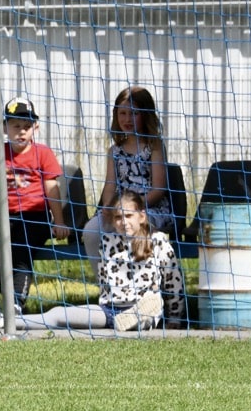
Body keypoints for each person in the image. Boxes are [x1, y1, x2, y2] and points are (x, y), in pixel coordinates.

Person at [0, 191, 178, 333]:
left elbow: (173, 283)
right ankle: (2, 321)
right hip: (110, 311)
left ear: (141, 216)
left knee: (150, 306)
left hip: (147, 308)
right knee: (57, 315)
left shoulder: (158, 242)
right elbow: (106, 285)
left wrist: (175, 318)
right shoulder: (109, 241)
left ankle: (137, 318)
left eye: (128, 216)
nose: (123, 222)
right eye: (118, 218)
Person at [78, 86, 184, 325]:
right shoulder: (114, 152)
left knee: (134, 228)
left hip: (150, 209)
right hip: (121, 209)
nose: (127, 119)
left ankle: (146, 295)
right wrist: (107, 208)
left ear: (145, 115)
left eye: (133, 113)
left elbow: (158, 189)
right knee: (93, 231)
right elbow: (109, 185)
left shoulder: (154, 147)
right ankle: (113, 292)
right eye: (122, 113)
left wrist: (133, 209)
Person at [0, 97, 69, 314]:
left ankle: (15, 303)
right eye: (16, 126)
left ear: (35, 127)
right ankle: (13, 303)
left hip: (36, 216)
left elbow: (52, 189)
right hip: (6, 216)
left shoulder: (42, 153)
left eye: (27, 126)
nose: (22, 131)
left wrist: (60, 222)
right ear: (5, 127)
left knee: (20, 248)